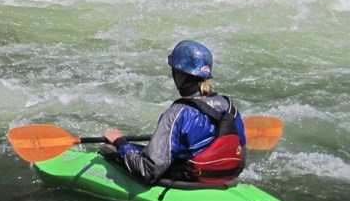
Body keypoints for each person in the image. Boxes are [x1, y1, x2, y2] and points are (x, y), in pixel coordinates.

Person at [103, 40, 246, 186]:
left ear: (180, 74)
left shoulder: (177, 113)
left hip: (191, 179)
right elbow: (241, 157)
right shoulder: (229, 107)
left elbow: (148, 170)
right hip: (225, 177)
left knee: (109, 150)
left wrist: (120, 142)